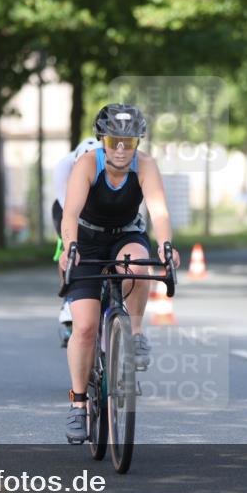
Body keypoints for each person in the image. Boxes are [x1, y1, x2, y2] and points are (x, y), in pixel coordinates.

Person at [59, 103, 181, 443]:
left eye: (130, 142)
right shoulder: (88, 164)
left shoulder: (146, 165)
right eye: (114, 141)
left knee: (138, 265)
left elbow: (159, 212)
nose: (122, 149)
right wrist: (70, 247)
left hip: (126, 234)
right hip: (88, 240)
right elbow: (70, 214)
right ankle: (78, 404)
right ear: (103, 140)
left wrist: (166, 246)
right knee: (84, 327)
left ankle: (135, 332)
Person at [51, 137, 101, 344]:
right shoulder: (63, 167)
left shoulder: (105, 163)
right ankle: (67, 296)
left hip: (95, 205)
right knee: (67, 244)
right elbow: (68, 208)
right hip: (66, 205)